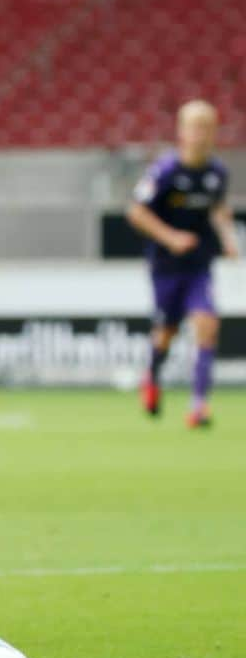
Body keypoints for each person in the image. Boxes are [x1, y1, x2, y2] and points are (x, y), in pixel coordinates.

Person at [127, 100, 238, 427]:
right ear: (181, 131)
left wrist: (229, 237)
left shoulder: (217, 173)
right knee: (166, 332)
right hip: (165, 266)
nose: (200, 135)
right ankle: (152, 376)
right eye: (194, 127)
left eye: (207, 127)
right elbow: (136, 212)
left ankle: (199, 405)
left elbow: (217, 208)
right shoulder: (165, 171)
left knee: (207, 325)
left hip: (198, 265)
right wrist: (171, 237)